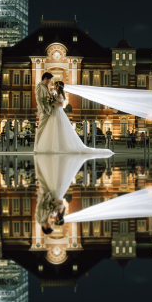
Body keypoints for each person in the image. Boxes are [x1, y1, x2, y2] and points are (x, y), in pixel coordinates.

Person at [33, 79, 112, 235]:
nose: (54, 87)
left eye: (55, 85)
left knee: (59, 133)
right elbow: (58, 202)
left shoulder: (60, 94)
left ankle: (56, 147)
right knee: (55, 133)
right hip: (54, 114)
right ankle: (54, 147)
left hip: (57, 113)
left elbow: (61, 104)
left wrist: (51, 103)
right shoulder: (54, 213)